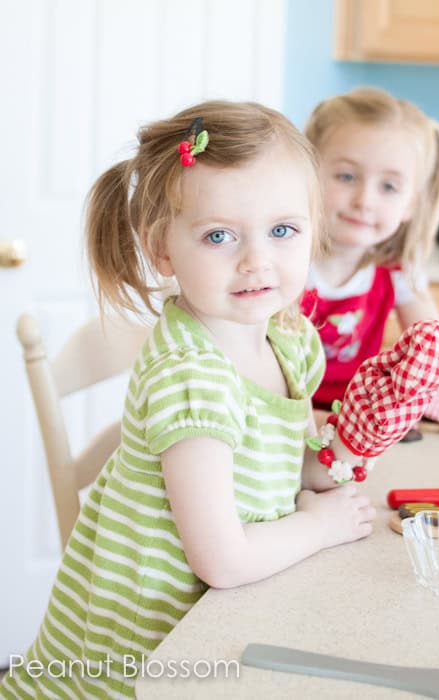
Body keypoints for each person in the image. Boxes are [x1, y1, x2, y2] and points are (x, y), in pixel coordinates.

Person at [1, 100, 379, 700]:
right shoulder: (193, 377)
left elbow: (285, 462)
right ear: (162, 250)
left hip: (222, 620)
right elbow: (222, 560)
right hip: (143, 661)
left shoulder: (289, 338)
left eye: (282, 230)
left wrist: (347, 447)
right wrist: (319, 526)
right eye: (219, 236)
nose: (257, 260)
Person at [300, 87, 439, 415]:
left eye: (388, 187)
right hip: (282, 417)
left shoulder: (397, 272)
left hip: (355, 419)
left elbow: (437, 362)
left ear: (410, 204)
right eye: (346, 176)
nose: (364, 200)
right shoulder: (283, 259)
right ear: (307, 174)